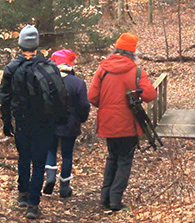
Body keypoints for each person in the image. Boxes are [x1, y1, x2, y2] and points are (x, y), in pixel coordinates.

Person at [88, 32, 157, 211]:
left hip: (108, 123)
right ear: (133, 52)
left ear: (116, 49)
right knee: (125, 160)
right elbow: (150, 95)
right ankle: (115, 199)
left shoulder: (102, 69)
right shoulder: (137, 72)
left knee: (112, 157)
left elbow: (92, 97)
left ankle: (104, 198)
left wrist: (106, 106)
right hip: (129, 124)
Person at [0, 25, 59, 219]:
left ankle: (22, 194)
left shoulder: (11, 68)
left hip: (22, 122)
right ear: (36, 44)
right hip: (44, 123)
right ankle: (33, 204)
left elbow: (4, 98)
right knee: (39, 162)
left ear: (20, 45)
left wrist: (6, 122)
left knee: (24, 157)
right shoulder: (49, 66)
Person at [43, 49, 90, 198]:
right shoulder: (78, 83)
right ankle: (64, 187)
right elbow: (84, 105)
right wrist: (81, 119)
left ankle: (50, 177)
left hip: (51, 122)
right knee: (67, 154)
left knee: (50, 150)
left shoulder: (48, 80)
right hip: (71, 123)